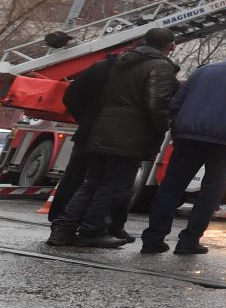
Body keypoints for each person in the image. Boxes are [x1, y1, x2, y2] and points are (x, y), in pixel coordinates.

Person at [140, 33, 226, 256]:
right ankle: (189, 241)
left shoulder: (205, 70)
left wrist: (177, 126)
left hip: (188, 136)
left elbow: (176, 102)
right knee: (212, 191)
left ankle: (153, 238)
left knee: (172, 187)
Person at [48, 29, 178, 249]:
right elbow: (156, 104)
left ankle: (63, 228)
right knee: (114, 185)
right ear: (171, 45)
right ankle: (91, 231)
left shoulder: (118, 62)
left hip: (103, 127)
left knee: (92, 182)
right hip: (131, 133)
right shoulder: (160, 66)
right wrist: (163, 125)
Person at [43, 50, 120, 237]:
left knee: (75, 176)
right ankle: (96, 224)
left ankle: (60, 219)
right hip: (113, 133)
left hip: (89, 129)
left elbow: (71, 96)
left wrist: (85, 118)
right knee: (106, 180)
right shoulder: (128, 72)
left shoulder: (99, 67)